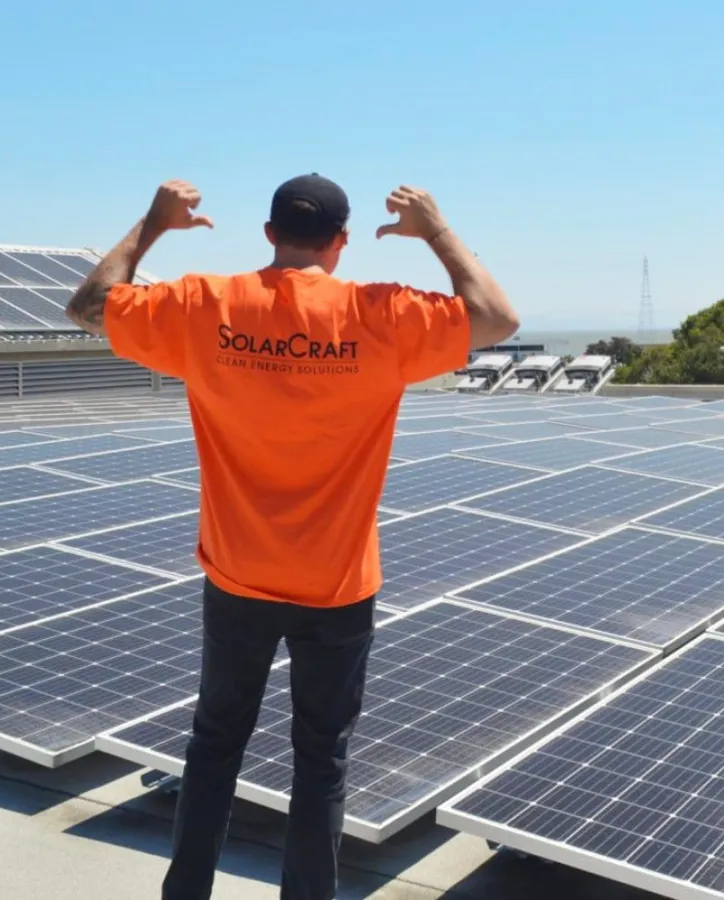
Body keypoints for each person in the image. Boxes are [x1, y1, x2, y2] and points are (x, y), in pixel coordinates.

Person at [66, 174, 519, 900]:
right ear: (342, 242)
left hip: (237, 576)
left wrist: (153, 225)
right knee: (320, 762)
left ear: (270, 233)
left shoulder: (205, 306)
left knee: (214, 747)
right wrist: (433, 229)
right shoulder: (381, 315)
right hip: (337, 587)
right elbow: (496, 317)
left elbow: (88, 306)